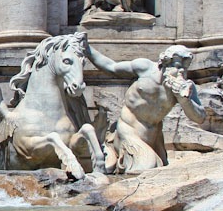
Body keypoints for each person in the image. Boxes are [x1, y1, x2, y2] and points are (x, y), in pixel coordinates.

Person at [83, 38, 206, 172]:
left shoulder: (186, 88)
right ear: (165, 62)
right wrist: (87, 48)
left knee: (159, 171)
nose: (181, 71)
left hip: (154, 138)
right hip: (128, 131)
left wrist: (184, 100)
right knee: (148, 166)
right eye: (177, 66)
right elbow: (111, 67)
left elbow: (199, 117)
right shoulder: (145, 68)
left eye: (185, 67)